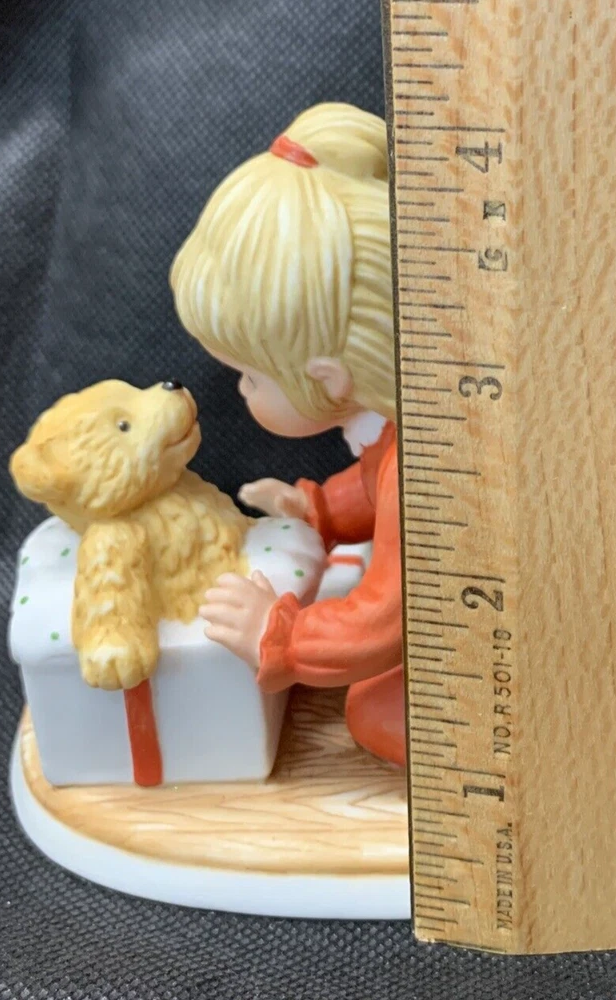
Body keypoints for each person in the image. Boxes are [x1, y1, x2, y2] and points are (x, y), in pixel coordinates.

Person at [169, 102, 406, 766]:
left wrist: (278, 635)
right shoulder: (400, 437)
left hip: (512, 633)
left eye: (250, 376)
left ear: (329, 377)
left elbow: (383, 620)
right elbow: (375, 484)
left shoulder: (420, 479)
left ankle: (528, 768)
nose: (240, 392)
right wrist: (321, 508)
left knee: (374, 709)